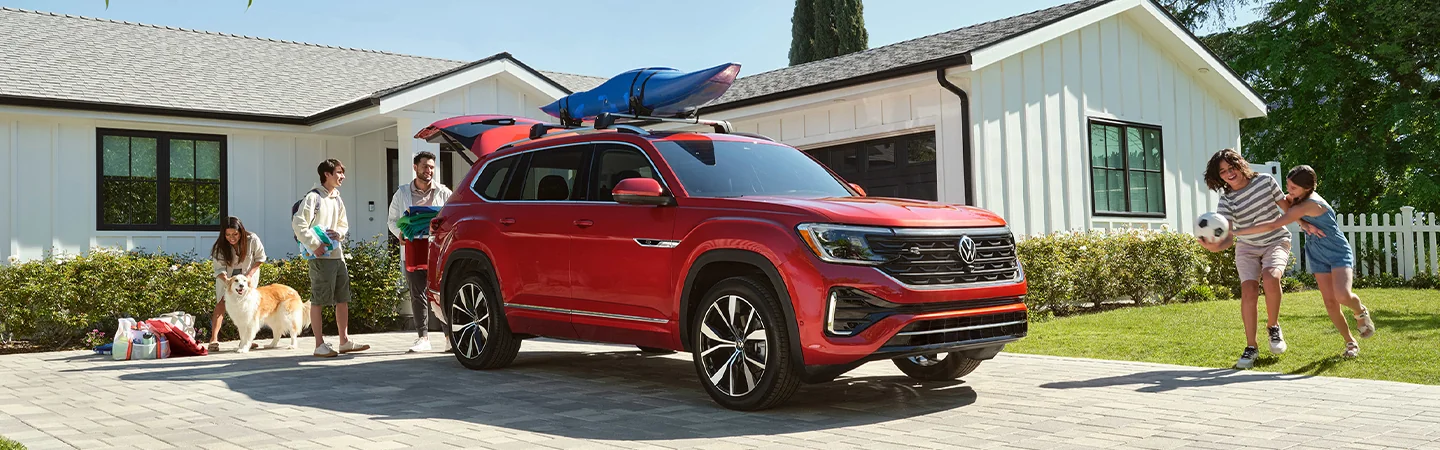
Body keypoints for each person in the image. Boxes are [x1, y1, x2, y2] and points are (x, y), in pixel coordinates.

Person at [1233, 165, 1376, 358]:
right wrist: (1304, 222)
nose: (1289, 191)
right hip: (1316, 253)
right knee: (1330, 303)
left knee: (1342, 295)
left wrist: (1237, 232)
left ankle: (1360, 312)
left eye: (1293, 188)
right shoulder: (1298, 199)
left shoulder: (1310, 204)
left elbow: (1275, 224)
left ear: (1307, 188)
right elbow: (1285, 203)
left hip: (1337, 250)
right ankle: (1350, 342)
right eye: (1288, 185)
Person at [1198, 149, 1320, 369]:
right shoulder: (1226, 201)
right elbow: (1228, 238)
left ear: (1240, 164)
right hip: (1247, 248)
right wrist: (1214, 247)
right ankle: (1251, 346)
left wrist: (1303, 223)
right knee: (1249, 291)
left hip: (1276, 240)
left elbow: (1287, 208)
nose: (1229, 173)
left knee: (1271, 278)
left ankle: (1273, 327)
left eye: (1231, 167)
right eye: (1223, 171)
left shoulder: (1265, 181)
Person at [292, 158, 369, 357]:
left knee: (343, 299)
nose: (342, 176)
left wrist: (339, 233)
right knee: (318, 300)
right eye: (338, 172)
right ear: (327, 174)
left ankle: (344, 341)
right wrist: (314, 245)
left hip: (337, 256)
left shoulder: (337, 198)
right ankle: (319, 345)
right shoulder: (313, 197)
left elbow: (343, 224)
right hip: (320, 258)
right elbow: (299, 224)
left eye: (343, 172)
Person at [387, 151, 452, 353]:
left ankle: (450, 338)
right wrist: (400, 233)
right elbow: (392, 220)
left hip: (437, 250)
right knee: (418, 294)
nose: (429, 170)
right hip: (413, 249)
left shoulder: (444, 192)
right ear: (415, 167)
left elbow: (452, 217)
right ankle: (423, 337)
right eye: (425, 166)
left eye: (432, 167)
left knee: (442, 293)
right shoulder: (402, 193)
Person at [207, 217, 266, 353]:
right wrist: (227, 281)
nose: (231, 238)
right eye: (228, 235)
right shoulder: (219, 247)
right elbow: (219, 269)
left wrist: (249, 275)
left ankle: (246, 340)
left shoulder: (252, 239)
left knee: (248, 306)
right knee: (221, 302)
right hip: (227, 277)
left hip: (247, 277)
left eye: (235, 234)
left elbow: (260, 258)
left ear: (241, 232)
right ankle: (213, 339)